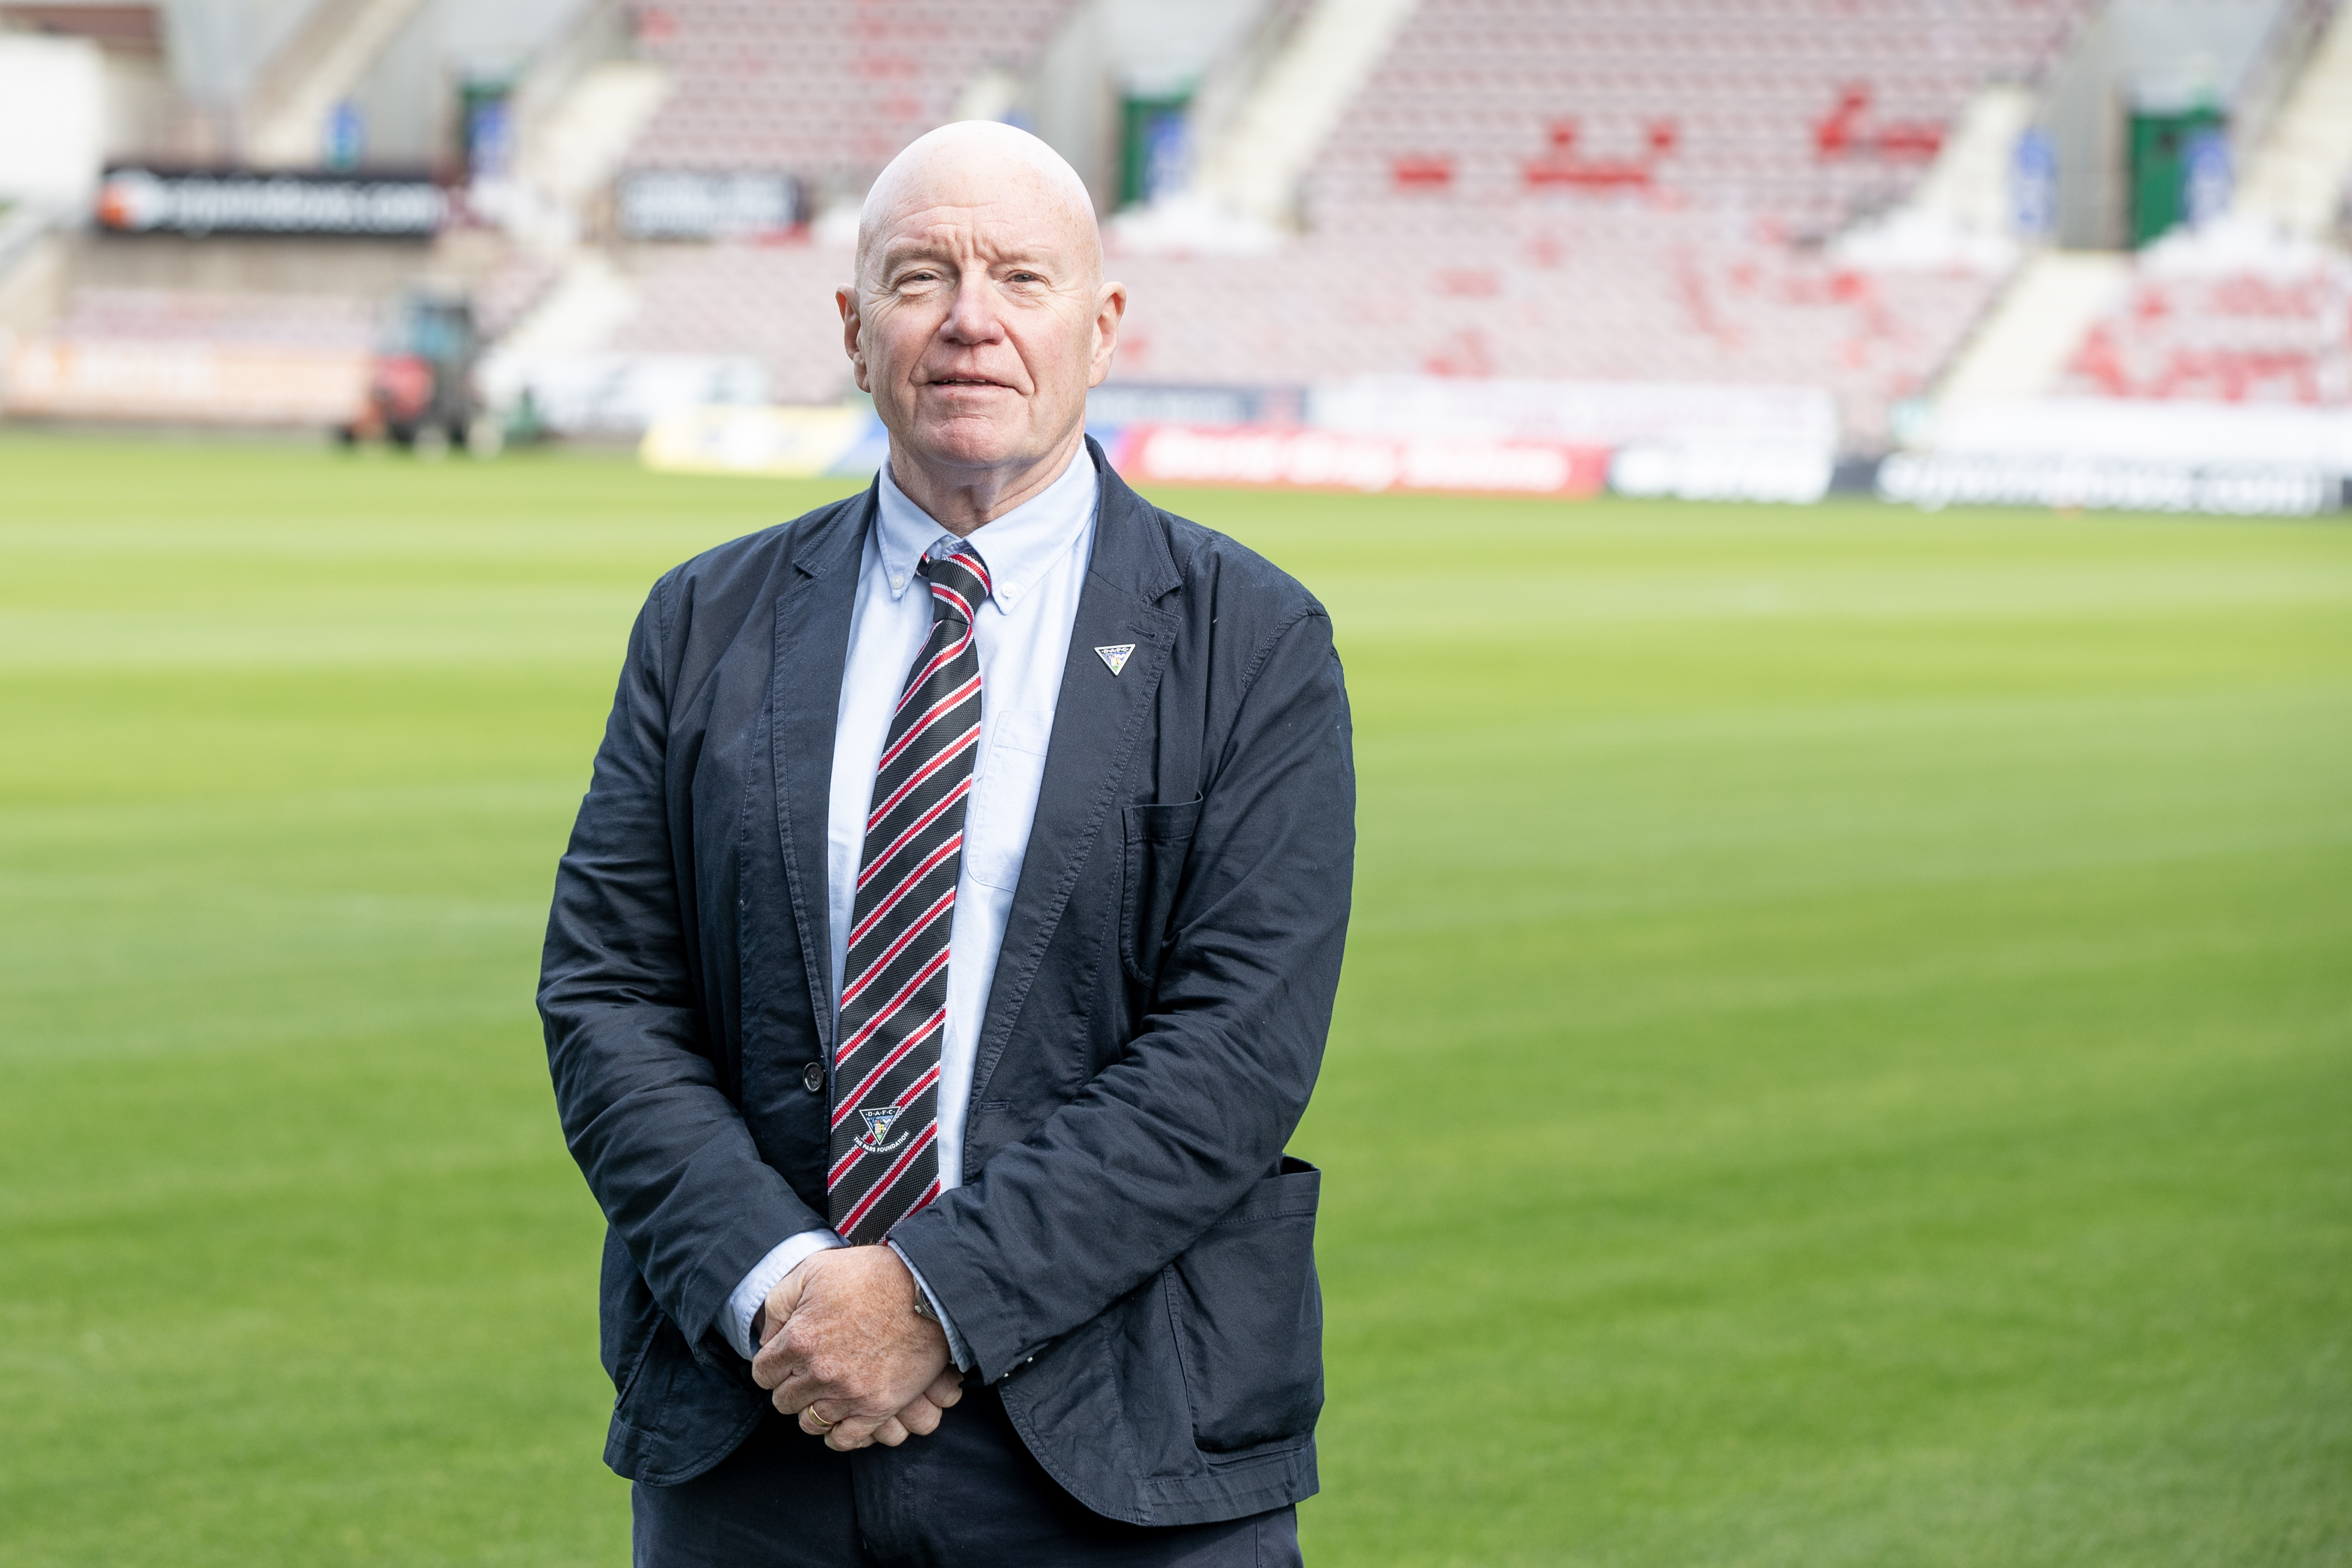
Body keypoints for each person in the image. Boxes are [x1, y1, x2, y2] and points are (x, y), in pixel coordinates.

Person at [539, 121, 1354, 1567]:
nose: (970, 319)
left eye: (1019, 278)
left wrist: (927, 1296)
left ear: (1099, 329)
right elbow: (607, 996)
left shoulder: (1251, 638)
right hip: (754, 1428)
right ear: (853, 333)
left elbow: (1234, 1046)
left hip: (1124, 1444)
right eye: (921, 277)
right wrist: (786, 1283)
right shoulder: (703, 619)